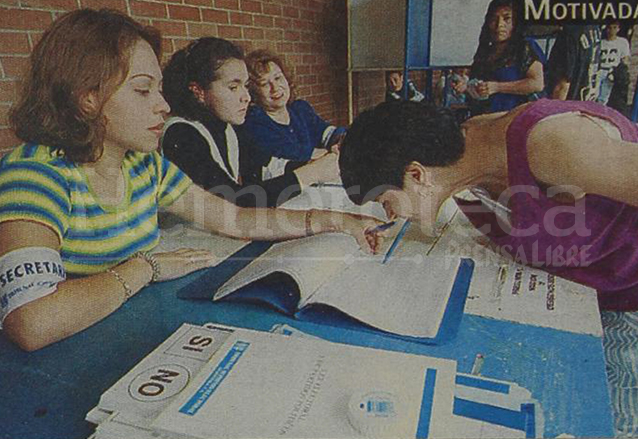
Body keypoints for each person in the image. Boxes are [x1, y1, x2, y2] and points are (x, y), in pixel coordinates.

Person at [0, 9, 382, 351]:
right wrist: (146, 267)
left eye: (160, 89)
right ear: (87, 98)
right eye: (142, 89)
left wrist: (335, 220)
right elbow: (31, 322)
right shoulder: (35, 175)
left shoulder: (144, 165)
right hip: (68, 353)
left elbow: (233, 218)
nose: (163, 105)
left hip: (126, 328)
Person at [339, 98, 638, 311]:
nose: (392, 214)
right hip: (589, 299)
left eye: (386, 201)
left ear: (417, 174)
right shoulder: (467, 149)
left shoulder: (550, 143)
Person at [161, 39, 337, 207]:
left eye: (245, 86)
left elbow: (267, 167)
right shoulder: (182, 133)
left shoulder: (228, 127)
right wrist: (311, 173)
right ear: (198, 91)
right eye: (233, 87)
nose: (246, 97)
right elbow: (234, 201)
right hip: (183, 235)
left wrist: (316, 164)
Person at [243, 49, 345, 179]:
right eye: (264, 84)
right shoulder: (254, 122)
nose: (275, 88)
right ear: (253, 93)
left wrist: (341, 139)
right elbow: (293, 153)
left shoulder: (300, 109)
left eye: (278, 78)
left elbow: (325, 131)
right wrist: (327, 154)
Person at [467, 0, 545, 114]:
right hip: (487, 118)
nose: (499, 25)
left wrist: (497, 87)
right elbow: (477, 81)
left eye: (506, 19)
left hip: (518, 118)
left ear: (515, 22)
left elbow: (537, 84)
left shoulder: (525, 46)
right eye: (494, 19)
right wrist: (469, 87)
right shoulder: (485, 51)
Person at [546, 25, 602, 101]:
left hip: (570, 105)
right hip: (589, 101)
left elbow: (563, 84)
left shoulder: (569, 34)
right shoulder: (594, 28)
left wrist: (555, 109)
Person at [597, 21, 631, 108]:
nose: (612, 30)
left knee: (604, 97)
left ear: (618, 29)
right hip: (600, 70)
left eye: (614, 27)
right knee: (594, 94)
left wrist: (618, 71)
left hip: (612, 71)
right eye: (610, 27)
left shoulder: (622, 42)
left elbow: (625, 58)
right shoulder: (601, 42)